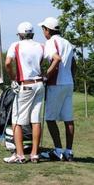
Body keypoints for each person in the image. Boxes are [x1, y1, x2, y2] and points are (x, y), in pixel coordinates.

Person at [3, 21, 60, 164]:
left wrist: (12, 79)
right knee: (35, 120)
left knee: (17, 121)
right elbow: (56, 58)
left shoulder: (15, 45)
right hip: (39, 85)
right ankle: (34, 154)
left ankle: (20, 155)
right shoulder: (41, 45)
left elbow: (8, 63)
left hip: (25, 85)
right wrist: (46, 75)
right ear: (32, 33)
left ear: (20, 35)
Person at [38, 17, 76, 161]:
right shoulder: (67, 42)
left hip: (56, 84)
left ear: (48, 30)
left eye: (43, 29)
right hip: (68, 84)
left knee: (49, 118)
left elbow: (57, 59)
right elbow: (74, 64)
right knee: (68, 119)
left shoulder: (50, 43)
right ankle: (69, 152)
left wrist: (46, 76)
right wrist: (71, 78)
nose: (43, 32)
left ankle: (58, 151)